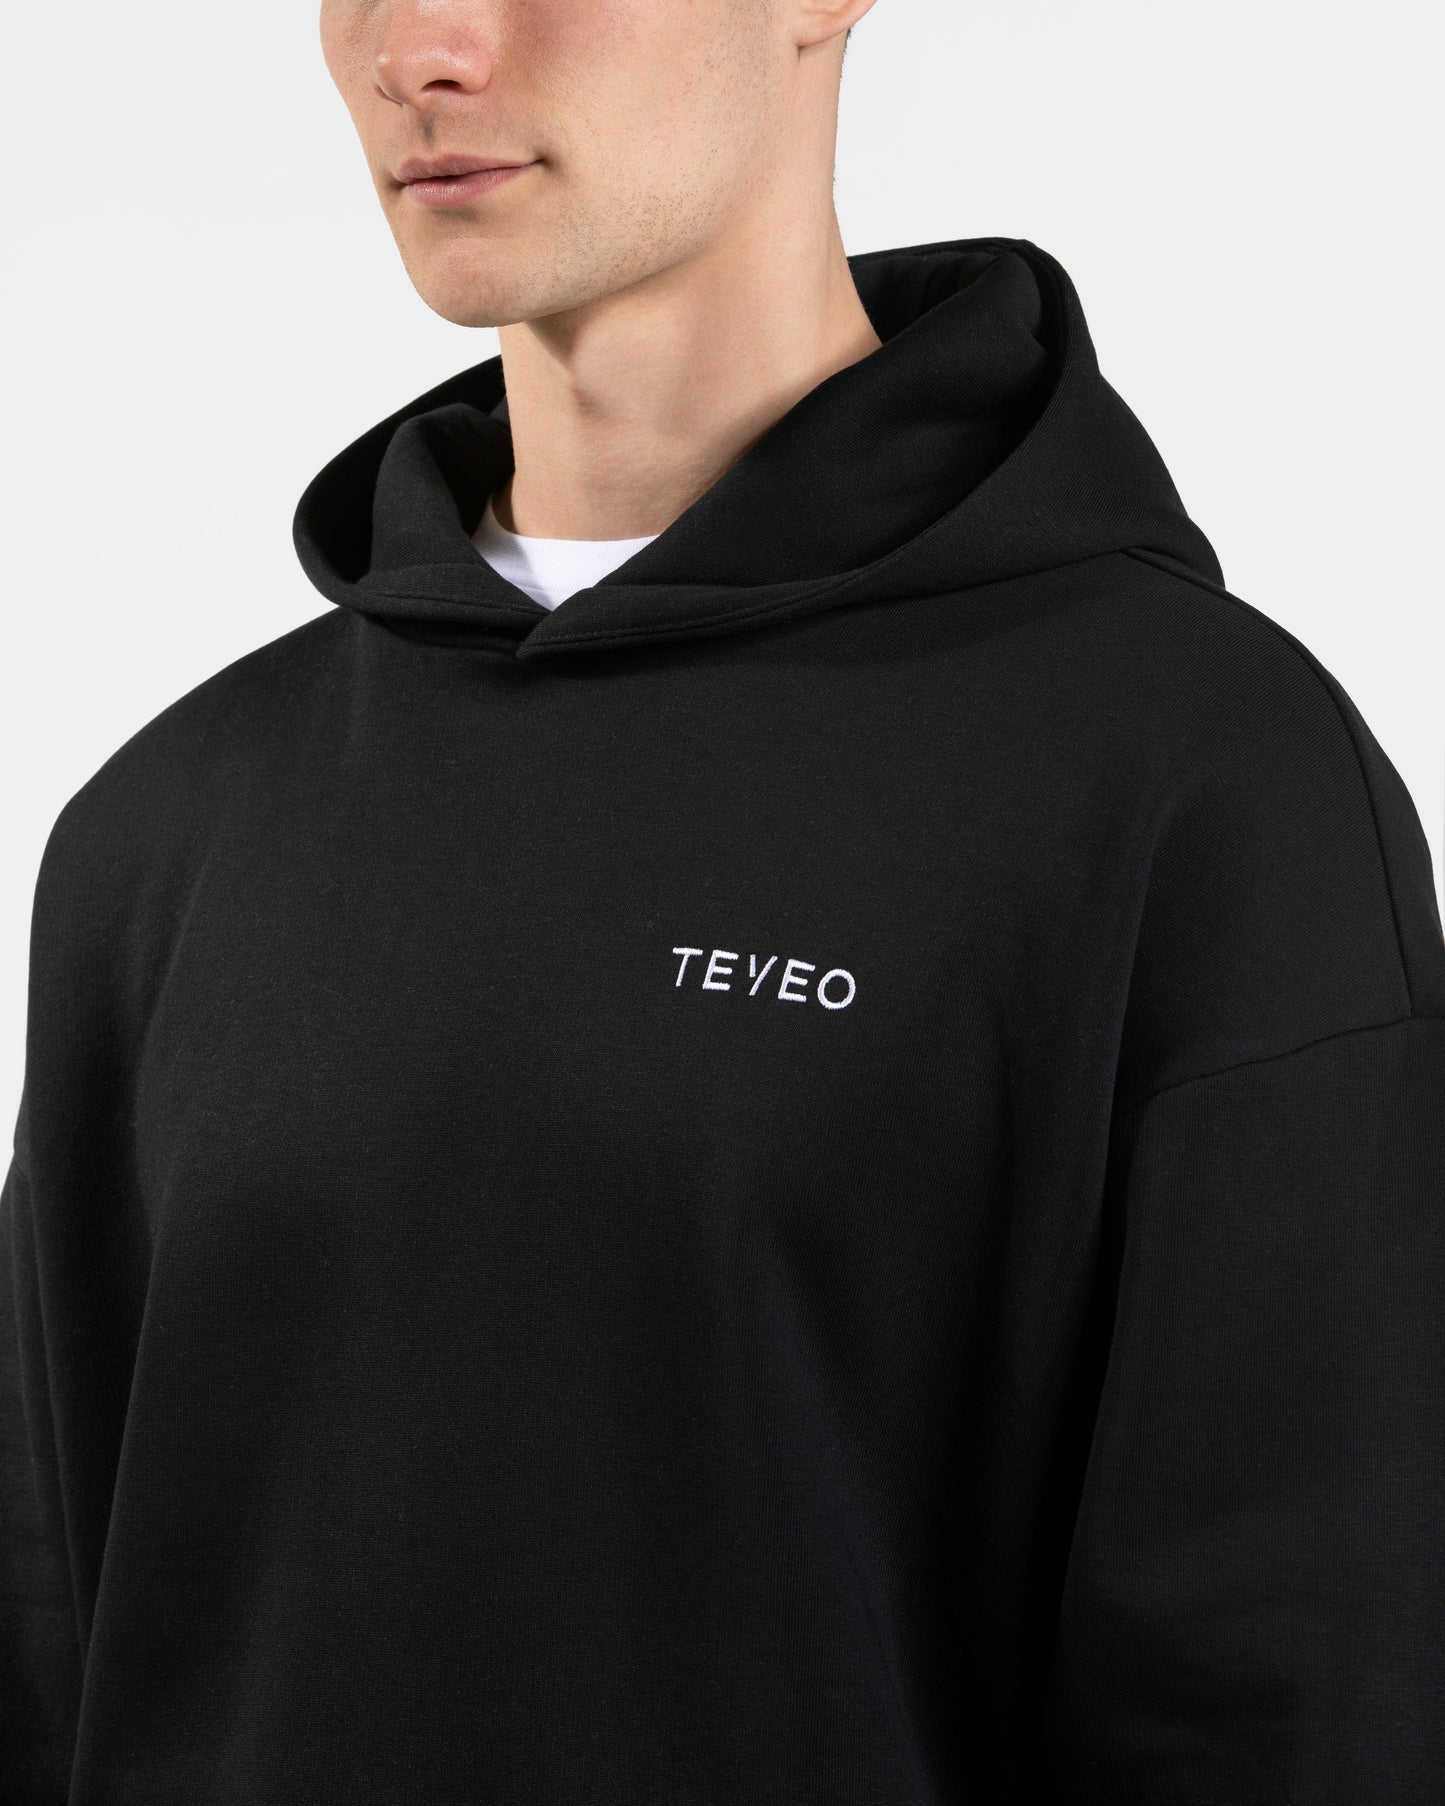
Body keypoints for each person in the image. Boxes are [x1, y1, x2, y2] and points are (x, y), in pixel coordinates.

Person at [3, 1, 1442, 1800]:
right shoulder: (167, 829)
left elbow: (1299, 1702)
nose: (419, 47)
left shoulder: (1193, 778)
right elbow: (48, 1663)